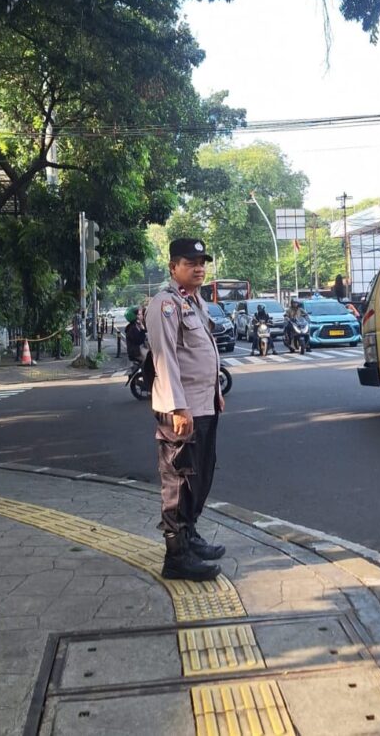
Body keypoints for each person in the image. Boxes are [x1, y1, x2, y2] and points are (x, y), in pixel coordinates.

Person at [145, 238, 225, 582]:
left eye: (202, 261)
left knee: (200, 475)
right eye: (190, 262)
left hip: (203, 405)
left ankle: (189, 537)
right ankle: (176, 555)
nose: (198, 267)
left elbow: (202, 352)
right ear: (173, 267)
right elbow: (166, 359)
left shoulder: (194, 302)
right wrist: (178, 406)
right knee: (179, 479)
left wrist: (216, 390)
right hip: (182, 409)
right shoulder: (165, 304)